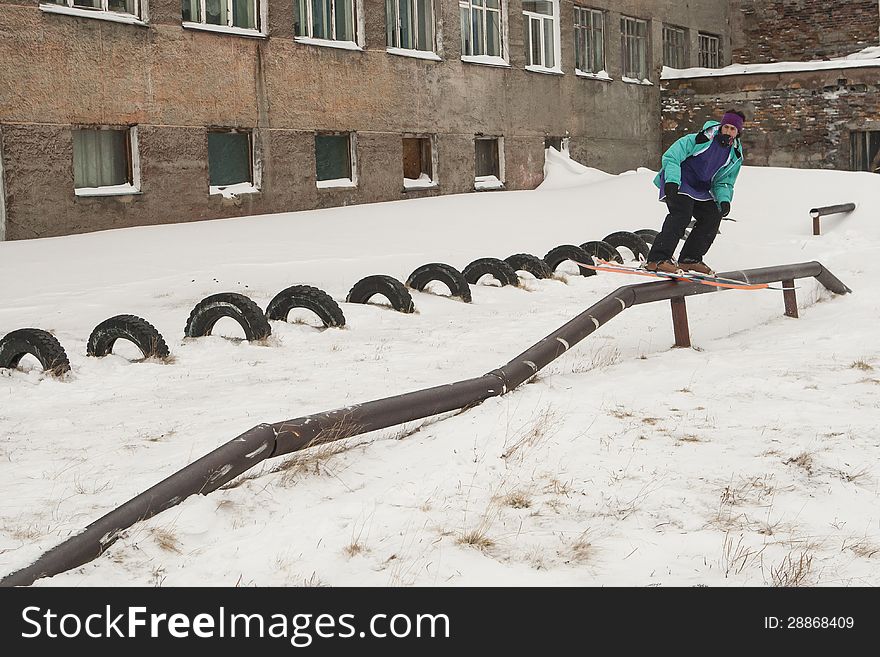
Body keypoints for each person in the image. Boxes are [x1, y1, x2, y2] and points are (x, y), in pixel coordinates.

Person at [645, 109, 746, 275]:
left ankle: (690, 258)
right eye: (726, 126)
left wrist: (724, 200)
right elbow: (672, 157)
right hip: (679, 181)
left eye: (732, 129)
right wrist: (671, 181)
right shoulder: (698, 139)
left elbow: (724, 181)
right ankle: (657, 259)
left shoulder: (734, 156)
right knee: (681, 215)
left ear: (738, 133)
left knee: (712, 216)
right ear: (721, 126)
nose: (728, 131)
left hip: (701, 188)